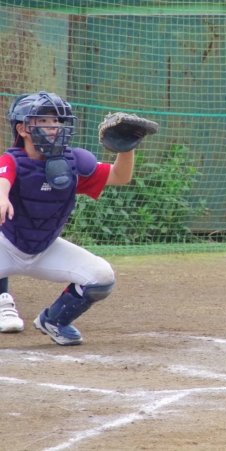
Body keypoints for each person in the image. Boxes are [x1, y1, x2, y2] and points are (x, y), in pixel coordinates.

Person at [0, 91, 135, 345]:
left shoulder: (71, 165)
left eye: (56, 121)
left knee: (101, 276)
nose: (53, 127)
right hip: (5, 245)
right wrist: (2, 197)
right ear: (22, 129)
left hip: (44, 249)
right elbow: (3, 179)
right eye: (43, 121)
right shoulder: (12, 160)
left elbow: (119, 176)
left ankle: (54, 320)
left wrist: (126, 148)